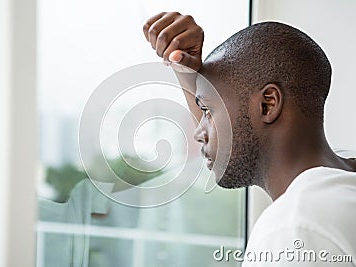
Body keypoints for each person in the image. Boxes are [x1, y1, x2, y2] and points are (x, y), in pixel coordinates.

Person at [143, 12, 356, 266]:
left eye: (208, 111)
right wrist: (190, 78)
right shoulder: (341, 194)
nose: (198, 133)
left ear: (268, 105)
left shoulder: (295, 228)